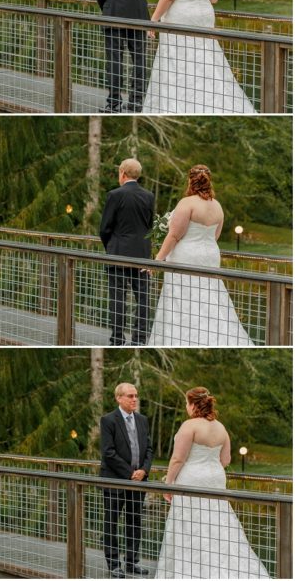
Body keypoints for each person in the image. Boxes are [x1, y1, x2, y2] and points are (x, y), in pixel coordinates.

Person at [155, 388, 269, 578]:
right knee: (219, 524)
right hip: (215, 479)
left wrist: (168, 483)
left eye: (186, 403)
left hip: (192, 479)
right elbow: (225, 460)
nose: (186, 407)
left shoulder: (189, 426)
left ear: (192, 404)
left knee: (190, 526)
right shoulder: (221, 427)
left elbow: (177, 459)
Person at [142, 0, 256, 113]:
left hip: (182, 17)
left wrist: (152, 21)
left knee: (178, 60)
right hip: (203, 16)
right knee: (207, 60)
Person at [147, 165, 253, 345]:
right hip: (210, 255)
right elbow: (215, 236)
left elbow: (174, 235)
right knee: (211, 296)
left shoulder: (186, 203)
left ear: (190, 181)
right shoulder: (217, 205)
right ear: (208, 181)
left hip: (187, 255)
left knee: (183, 298)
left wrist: (157, 260)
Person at [99, 158, 155, 346]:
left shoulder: (115, 195)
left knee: (117, 296)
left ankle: (117, 339)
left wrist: (111, 247)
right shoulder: (149, 196)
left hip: (119, 253)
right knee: (143, 298)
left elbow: (105, 227)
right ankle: (139, 339)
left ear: (122, 173)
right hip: (142, 254)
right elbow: (149, 226)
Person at [100, 383, 153, 579]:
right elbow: (108, 452)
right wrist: (131, 473)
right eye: (130, 396)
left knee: (134, 521)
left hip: (139, 481)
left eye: (136, 396)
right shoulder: (108, 420)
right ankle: (114, 564)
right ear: (119, 398)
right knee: (111, 522)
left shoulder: (142, 420)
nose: (134, 399)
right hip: (115, 480)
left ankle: (132, 563)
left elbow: (149, 449)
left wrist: (144, 470)